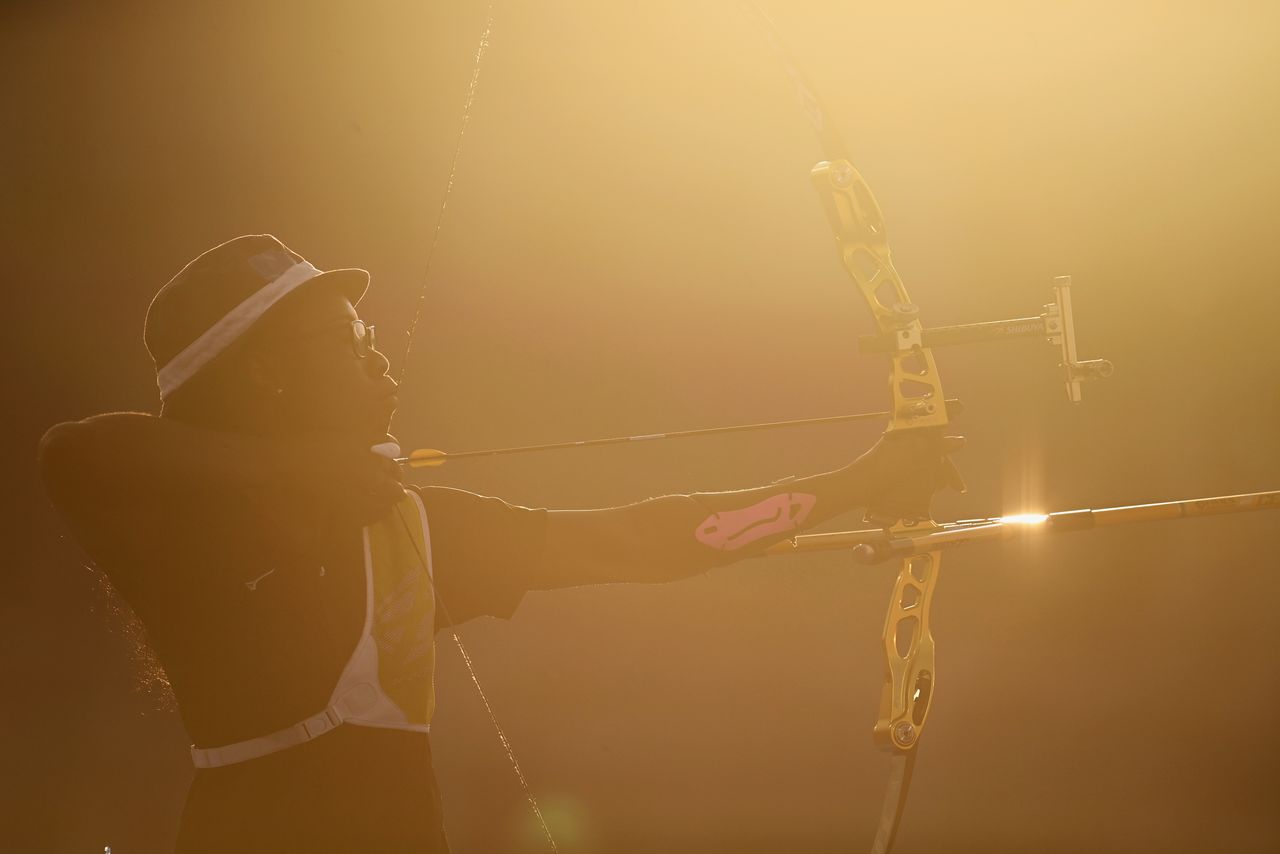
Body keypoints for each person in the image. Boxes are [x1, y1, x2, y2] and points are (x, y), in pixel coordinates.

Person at [38, 234, 962, 853]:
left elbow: (649, 540)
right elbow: (74, 450)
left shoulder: (409, 528)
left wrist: (862, 484)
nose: (380, 357)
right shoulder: (181, 539)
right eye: (349, 338)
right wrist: (298, 472)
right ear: (270, 372)